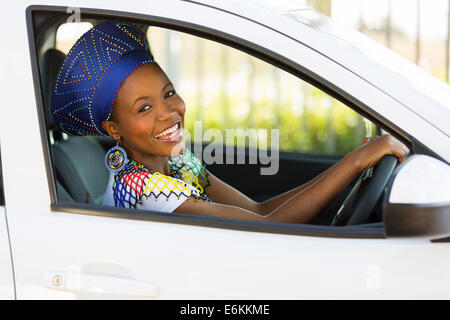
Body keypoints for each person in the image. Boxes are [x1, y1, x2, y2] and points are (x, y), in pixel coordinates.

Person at [51, 21, 409, 224]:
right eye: (144, 108)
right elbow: (269, 228)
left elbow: (256, 209)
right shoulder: (147, 190)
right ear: (114, 130)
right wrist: (355, 161)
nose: (168, 111)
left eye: (169, 92)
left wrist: (347, 174)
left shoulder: (177, 160)